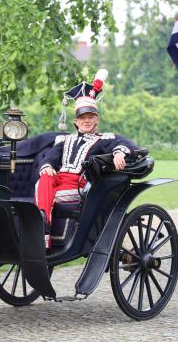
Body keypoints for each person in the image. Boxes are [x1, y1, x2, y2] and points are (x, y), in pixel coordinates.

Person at [35, 70, 138, 247]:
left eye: (91, 117)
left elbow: (125, 142)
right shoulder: (64, 140)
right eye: (83, 118)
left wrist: (119, 152)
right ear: (76, 121)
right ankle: (43, 222)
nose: (87, 121)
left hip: (79, 184)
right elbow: (50, 157)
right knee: (44, 179)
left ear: (96, 119)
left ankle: (42, 232)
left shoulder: (103, 139)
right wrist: (46, 166)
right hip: (58, 179)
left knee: (48, 193)